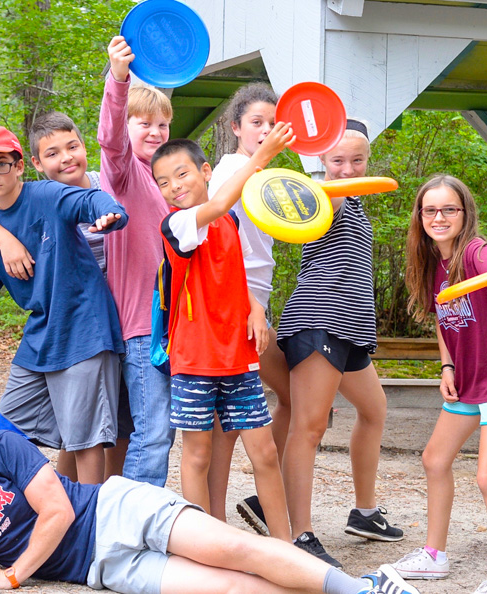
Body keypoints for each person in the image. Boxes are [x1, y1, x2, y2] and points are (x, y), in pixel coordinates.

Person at [0, 405, 418, 594]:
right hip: (103, 568)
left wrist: (12, 577)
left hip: (115, 511)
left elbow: (55, 513)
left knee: (240, 550)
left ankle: (363, 590)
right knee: (232, 588)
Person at [0, 111, 133, 481]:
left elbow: (90, 202)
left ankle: (89, 527)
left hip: (85, 328)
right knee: (7, 426)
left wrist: (110, 214)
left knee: (84, 442)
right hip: (41, 336)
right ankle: (38, 505)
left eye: (1, 164)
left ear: (20, 166)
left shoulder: (47, 195)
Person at [390, 175, 487, 594]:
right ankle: (435, 556)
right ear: (420, 216)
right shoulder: (432, 261)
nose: (439, 217)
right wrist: (447, 366)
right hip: (466, 378)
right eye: (430, 210)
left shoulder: (475, 250)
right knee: (435, 459)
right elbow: (441, 317)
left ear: (464, 213)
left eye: (449, 209)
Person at [152, 136, 294, 543]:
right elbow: (214, 205)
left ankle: (284, 548)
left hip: (238, 356)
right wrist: (261, 157)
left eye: (182, 174)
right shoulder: (177, 223)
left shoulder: (227, 222)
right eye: (163, 182)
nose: (175, 186)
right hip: (195, 359)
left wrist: (255, 307)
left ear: (205, 172)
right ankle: (208, 546)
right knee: (197, 456)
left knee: (264, 453)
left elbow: (232, 273)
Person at [275, 119, 403, 568]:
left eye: (357, 160)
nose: (348, 168)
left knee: (374, 410)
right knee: (308, 429)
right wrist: (316, 188)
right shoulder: (315, 197)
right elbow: (293, 218)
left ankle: (365, 513)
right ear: (321, 162)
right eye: (337, 160)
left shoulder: (356, 202)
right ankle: (299, 535)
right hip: (318, 319)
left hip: (351, 328)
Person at [204, 83, 293, 531]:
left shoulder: (270, 176)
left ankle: (250, 507)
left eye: (273, 124)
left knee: (290, 398)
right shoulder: (231, 171)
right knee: (226, 427)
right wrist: (251, 306)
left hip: (258, 302)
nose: (265, 130)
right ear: (236, 127)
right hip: (239, 305)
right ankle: (218, 521)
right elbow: (222, 247)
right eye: (257, 122)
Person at [96, 35, 175, 488]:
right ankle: (138, 527)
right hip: (142, 325)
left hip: (171, 324)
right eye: (143, 123)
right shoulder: (123, 175)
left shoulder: (163, 183)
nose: (154, 132)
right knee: (154, 431)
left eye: (162, 125)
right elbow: (110, 139)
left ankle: (127, 513)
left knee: (147, 430)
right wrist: (119, 77)